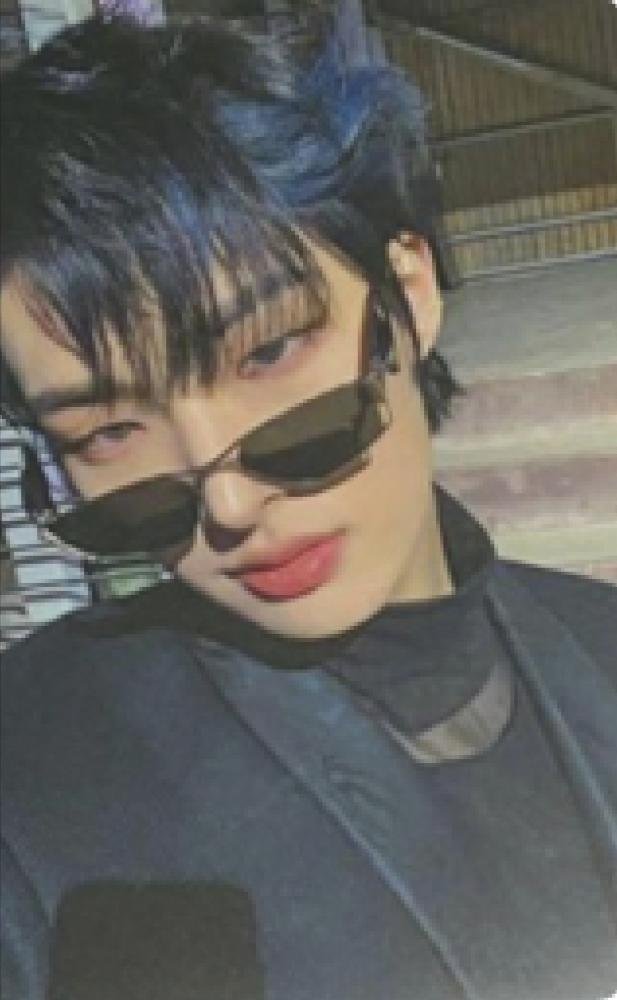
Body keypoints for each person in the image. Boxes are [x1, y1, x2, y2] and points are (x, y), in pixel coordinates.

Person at [1, 4, 616, 999]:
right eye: (107, 433)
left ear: (407, 293)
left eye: (270, 351)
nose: (228, 501)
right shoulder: (33, 772)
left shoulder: (599, 642)